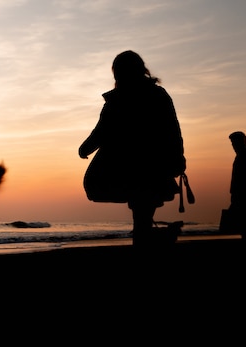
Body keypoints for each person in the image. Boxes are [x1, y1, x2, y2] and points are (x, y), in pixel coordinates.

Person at [79, 50, 186, 248]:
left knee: (141, 214)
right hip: (152, 167)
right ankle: (149, 242)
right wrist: (178, 159)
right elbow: (173, 130)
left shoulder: (119, 99)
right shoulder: (158, 95)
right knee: (143, 213)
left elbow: (101, 131)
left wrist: (85, 149)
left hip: (128, 168)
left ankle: (146, 244)